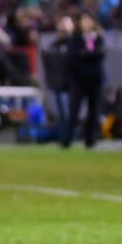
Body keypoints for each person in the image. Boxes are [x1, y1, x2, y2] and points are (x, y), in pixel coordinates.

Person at [64, 13, 106, 149]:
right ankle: (67, 140)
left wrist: (85, 54)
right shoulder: (75, 39)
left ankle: (90, 140)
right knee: (73, 111)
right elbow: (73, 57)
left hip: (95, 80)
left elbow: (99, 55)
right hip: (78, 80)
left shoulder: (98, 38)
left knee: (94, 112)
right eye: (84, 21)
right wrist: (88, 55)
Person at [42, 15, 76, 146]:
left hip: (72, 84)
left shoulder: (74, 44)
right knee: (63, 115)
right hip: (59, 84)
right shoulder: (54, 45)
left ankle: (68, 139)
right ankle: (66, 140)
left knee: (68, 114)